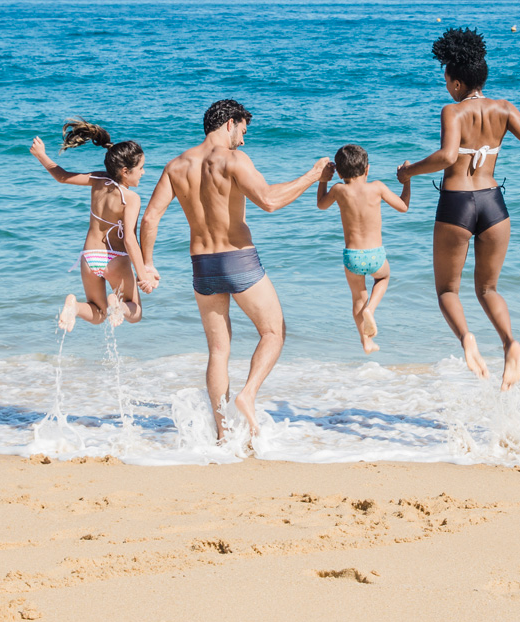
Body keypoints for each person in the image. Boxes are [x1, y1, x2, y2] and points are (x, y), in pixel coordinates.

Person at [138, 99, 327, 440]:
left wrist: (147, 265)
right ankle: (248, 395)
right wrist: (314, 175)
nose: (243, 139)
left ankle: (223, 434)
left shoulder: (175, 165)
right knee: (273, 332)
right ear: (230, 123)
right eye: (243, 130)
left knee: (218, 350)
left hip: (202, 265)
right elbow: (269, 200)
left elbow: (150, 218)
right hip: (238, 258)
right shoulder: (233, 159)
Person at [397, 28, 520, 390]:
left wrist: (408, 171)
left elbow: (449, 156)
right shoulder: (505, 109)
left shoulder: (452, 110)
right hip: (494, 203)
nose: (445, 85)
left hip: (458, 202)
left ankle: (467, 339)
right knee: (488, 288)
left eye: (446, 79)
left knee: (448, 291)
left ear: (456, 83)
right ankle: (511, 343)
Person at [28, 120, 152, 333]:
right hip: (114, 257)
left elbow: (63, 177)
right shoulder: (131, 198)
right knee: (136, 312)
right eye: (140, 168)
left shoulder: (98, 179)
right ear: (125, 171)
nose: (143, 172)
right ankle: (118, 304)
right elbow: (130, 239)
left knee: (98, 314)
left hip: (89, 257)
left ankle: (75, 307)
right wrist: (143, 276)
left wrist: (41, 155)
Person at [316, 144, 412, 354]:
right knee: (383, 278)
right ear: (368, 169)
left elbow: (321, 205)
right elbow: (403, 206)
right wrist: (407, 181)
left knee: (358, 298)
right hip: (375, 255)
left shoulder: (338, 190)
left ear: (339, 172)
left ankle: (366, 342)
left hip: (352, 257)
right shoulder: (377, 187)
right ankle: (371, 309)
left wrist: (323, 180)